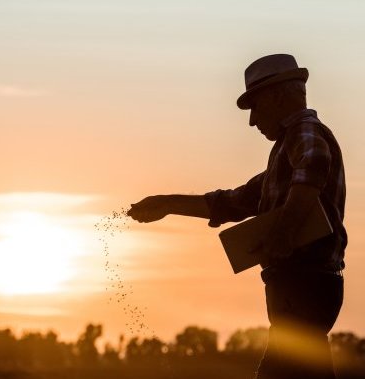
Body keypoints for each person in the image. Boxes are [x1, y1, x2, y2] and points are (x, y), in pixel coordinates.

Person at [127, 54, 347, 379]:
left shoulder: (305, 132)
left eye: (255, 107)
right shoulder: (283, 157)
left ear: (277, 96)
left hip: (305, 284)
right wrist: (167, 203)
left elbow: (313, 168)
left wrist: (283, 234)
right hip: (300, 287)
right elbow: (233, 202)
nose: (252, 121)